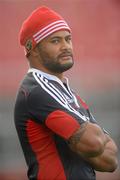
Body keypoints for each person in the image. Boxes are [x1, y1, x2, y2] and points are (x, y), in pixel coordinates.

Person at [14, 6, 118, 180]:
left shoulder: (69, 94)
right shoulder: (36, 90)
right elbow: (95, 143)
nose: (66, 46)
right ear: (32, 48)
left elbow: (111, 159)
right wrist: (81, 141)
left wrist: (78, 139)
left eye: (68, 39)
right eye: (55, 41)